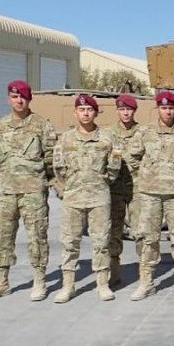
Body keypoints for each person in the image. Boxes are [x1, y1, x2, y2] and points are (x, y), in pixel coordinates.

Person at [0, 81, 58, 302]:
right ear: (8, 99)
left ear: (29, 99)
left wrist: (44, 181)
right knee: (3, 236)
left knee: (37, 237)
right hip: (6, 191)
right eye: (14, 96)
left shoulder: (42, 125)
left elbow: (51, 159)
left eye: (23, 96)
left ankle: (39, 280)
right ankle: (1, 281)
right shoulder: (1, 126)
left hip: (33, 191)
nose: (19, 100)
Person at [126, 92, 174, 301]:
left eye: (170, 108)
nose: (167, 111)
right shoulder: (145, 132)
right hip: (150, 193)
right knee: (149, 238)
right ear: (158, 108)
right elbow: (133, 156)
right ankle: (146, 282)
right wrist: (146, 174)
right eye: (164, 108)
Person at [52, 95, 121, 303]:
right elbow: (59, 167)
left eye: (89, 109)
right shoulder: (65, 139)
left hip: (99, 197)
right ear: (75, 113)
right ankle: (68, 286)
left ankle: (102, 284)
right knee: (69, 242)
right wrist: (72, 185)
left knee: (101, 241)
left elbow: (114, 168)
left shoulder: (108, 139)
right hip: (73, 198)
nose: (85, 113)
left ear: (95, 112)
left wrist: (99, 182)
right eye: (81, 109)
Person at [107, 93, 141, 287]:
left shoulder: (144, 133)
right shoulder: (108, 134)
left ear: (134, 111)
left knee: (141, 232)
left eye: (129, 109)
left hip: (138, 189)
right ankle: (114, 272)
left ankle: (144, 274)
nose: (126, 113)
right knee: (114, 231)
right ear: (118, 111)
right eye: (122, 109)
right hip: (115, 190)